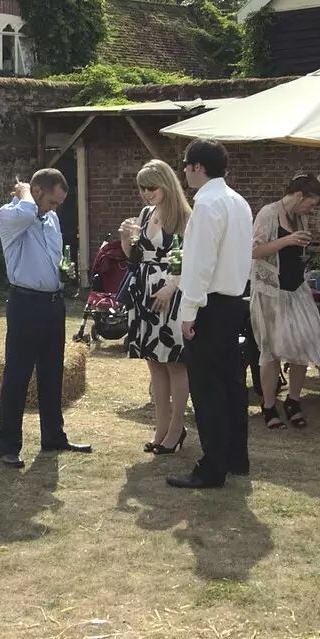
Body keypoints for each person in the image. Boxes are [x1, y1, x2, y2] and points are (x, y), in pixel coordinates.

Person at [166, 139, 253, 490]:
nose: (184, 170)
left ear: (198, 167)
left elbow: (199, 264)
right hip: (234, 301)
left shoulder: (206, 205)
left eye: (186, 164)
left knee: (208, 389)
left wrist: (188, 311)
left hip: (210, 305)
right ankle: (236, 457)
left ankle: (213, 466)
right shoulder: (239, 201)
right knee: (232, 384)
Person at [0, 168, 93, 467]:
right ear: (36, 192)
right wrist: (23, 192)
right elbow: (26, 210)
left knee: (52, 373)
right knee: (17, 375)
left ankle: (53, 436)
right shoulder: (10, 215)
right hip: (25, 303)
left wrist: (64, 272)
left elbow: (53, 255)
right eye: (52, 201)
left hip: (53, 303)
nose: (56, 208)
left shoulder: (51, 218)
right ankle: (9, 446)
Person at [118, 159, 192, 454]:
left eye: (152, 187)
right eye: (142, 188)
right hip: (144, 291)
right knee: (154, 364)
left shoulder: (185, 216)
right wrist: (126, 238)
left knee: (175, 362)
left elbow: (191, 257)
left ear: (166, 185)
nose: (147, 193)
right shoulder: (146, 213)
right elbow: (133, 258)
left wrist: (171, 287)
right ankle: (161, 428)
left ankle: (176, 428)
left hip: (171, 292)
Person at [249, 173, 320, 429]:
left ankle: (293, 401)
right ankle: (269, 404)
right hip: (271, 292)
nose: (311, 209)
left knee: (303, 345)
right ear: (298, 196)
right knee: (271, 351)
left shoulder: (300, 217)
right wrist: (287, 240)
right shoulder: (268, 214)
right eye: (310, 203)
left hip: (297, 289)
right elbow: (254, 251)